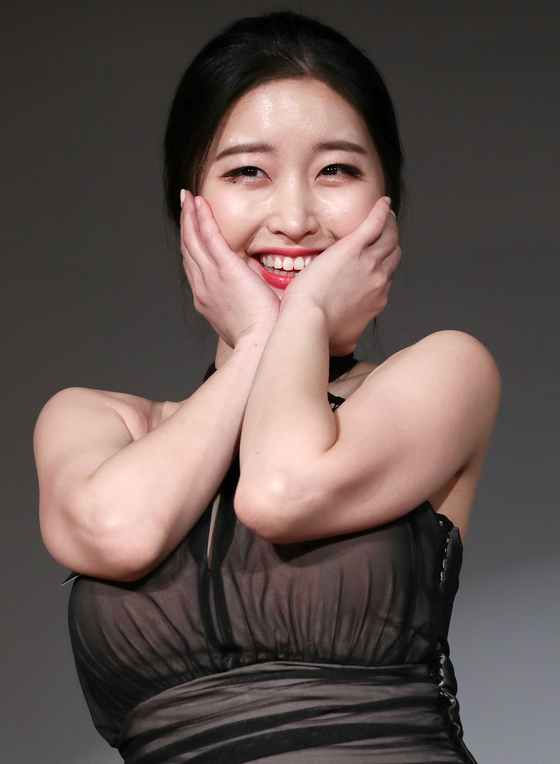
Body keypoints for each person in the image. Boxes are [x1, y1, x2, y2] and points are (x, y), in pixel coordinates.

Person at [33, 11, 500, 764]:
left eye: (337, 170)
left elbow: (281, 489)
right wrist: (259, 340)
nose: (294, 218)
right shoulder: (97, 421)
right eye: (247, 171)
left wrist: (302, 315)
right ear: (189, 204)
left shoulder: (447, 373)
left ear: (387, 199)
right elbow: (121, 533)